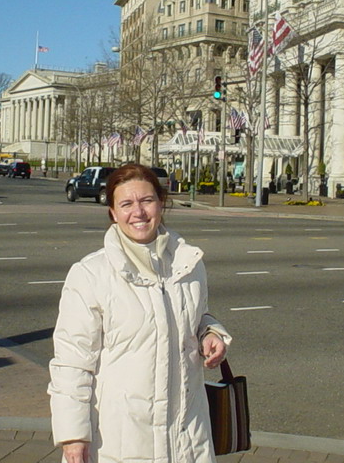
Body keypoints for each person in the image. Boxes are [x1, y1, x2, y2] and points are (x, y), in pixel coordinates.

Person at [49, 164, 230, 463]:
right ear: (112, 212)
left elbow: (197, 317)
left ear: (161, 203)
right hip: (122, 441)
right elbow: (71, 363)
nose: (139, 212)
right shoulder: (91, 274)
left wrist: (210, 333)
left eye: (146, 201)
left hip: (187, 439)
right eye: (126, 204)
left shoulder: (190, 263)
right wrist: (74, 437)